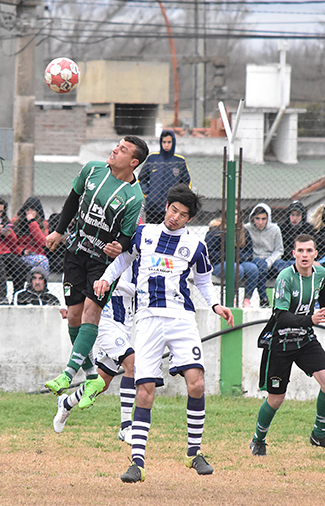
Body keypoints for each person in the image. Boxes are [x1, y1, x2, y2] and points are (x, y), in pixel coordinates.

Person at [94, 184, 234, 483]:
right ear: (167, 206)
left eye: (183, 215)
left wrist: (216, 305)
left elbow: (204, 281)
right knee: (145, 391)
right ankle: (137, 463)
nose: (176, 217)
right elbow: (123, 259)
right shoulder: (144, 233)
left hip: (182, 319)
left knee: (196, 382)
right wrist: (106, 278)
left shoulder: (196, 246)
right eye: (173, 210)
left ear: (189, 219)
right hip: (147, 320)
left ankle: (193, 452)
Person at [44, 136, 148, 410]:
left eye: (122, 149)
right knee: (75, 316)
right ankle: (91, 375)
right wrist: (58, 230)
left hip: (101, 264)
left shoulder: (134, 197)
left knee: (92, 312)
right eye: (117, 145)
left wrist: (119, 246)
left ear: (133, 162)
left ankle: (67, 374)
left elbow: (127, 238)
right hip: (75, 252)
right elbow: (72, 199)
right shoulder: (92, 169)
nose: (115, 150)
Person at [250, 234, 325, 457]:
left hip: (305, 339)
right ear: (293, 254)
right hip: (280, 342)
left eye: (309, 251)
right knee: (276, 399)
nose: (304, 255)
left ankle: (319, 435)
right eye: (300, 251)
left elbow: (322, 295)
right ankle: (258, 439)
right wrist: (311, 320)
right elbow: (281, 318)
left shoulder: (320, 273)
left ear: (315, 254)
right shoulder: (285, 277)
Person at [53, 264, 136, 444]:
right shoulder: (108, 251)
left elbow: (138, 289)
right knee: (132, 362)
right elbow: (76, 271)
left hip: (125, 324)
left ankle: (66, 404)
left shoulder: (140, 254)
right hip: (104, 320)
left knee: (102, 382)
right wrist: (64, 302)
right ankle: (126, 427)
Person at [204, 214, 258, 308]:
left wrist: (237, 256)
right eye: (234, 214)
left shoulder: (243, 231)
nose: (235, 217)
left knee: (252, 268)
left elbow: (249, 252)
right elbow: (209, 253)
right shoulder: (216, 231)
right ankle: (230, 300)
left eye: (237, 215)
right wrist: (228, 256)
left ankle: (247, 300)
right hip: (218, 264)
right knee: (236, 269)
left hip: (239, 261)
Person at [138, 129, 191, 224]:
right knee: (152, 232)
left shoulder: (180, 161)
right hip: (152, 206)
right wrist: (146, 193)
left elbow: (186, 183)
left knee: (168, 232)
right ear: (160, 142)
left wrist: (178, 198)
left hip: (171, 207)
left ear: (173, 142)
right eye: (164, 142)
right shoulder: (152, 158)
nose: (166, 145)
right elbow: (141, 178)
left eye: (169, 142)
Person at [244, 203, 283, 307]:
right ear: (253, 218)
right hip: (254, 260)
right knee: (260, 265)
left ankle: (276, 300)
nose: (260, 222)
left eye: (263, 219)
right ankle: (263, 297)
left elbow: (279, 250)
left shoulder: (275, 229)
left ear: (268, 218)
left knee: (283, 267)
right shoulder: (246, 228)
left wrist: (269, 262)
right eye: (257, 218)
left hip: (272, 260)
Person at [0, 196, 29, 294]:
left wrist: (8, 234)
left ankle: (18, 295)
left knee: (22, 268)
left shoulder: (4, 221)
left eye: (1, 211)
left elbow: (13, 243)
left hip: (6, 253)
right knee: (0, 270)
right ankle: (0, 295)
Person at [274, 200, 314, 273]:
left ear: (302, 216)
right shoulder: (281, 227)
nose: (294, 218)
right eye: (292, 215)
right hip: (284, 259)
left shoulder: (309, 228)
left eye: (298, 215)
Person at [12, 197, 50, 273]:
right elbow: (12, 242)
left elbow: (42, 242)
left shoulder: (43, 224)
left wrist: (32, 222)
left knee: (43, 261)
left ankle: (41, 283)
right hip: (21, 255)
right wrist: (21, 251)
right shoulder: (16, 222)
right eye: (27, 210)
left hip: (37, 255)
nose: (29, 213)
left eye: (32, 210)